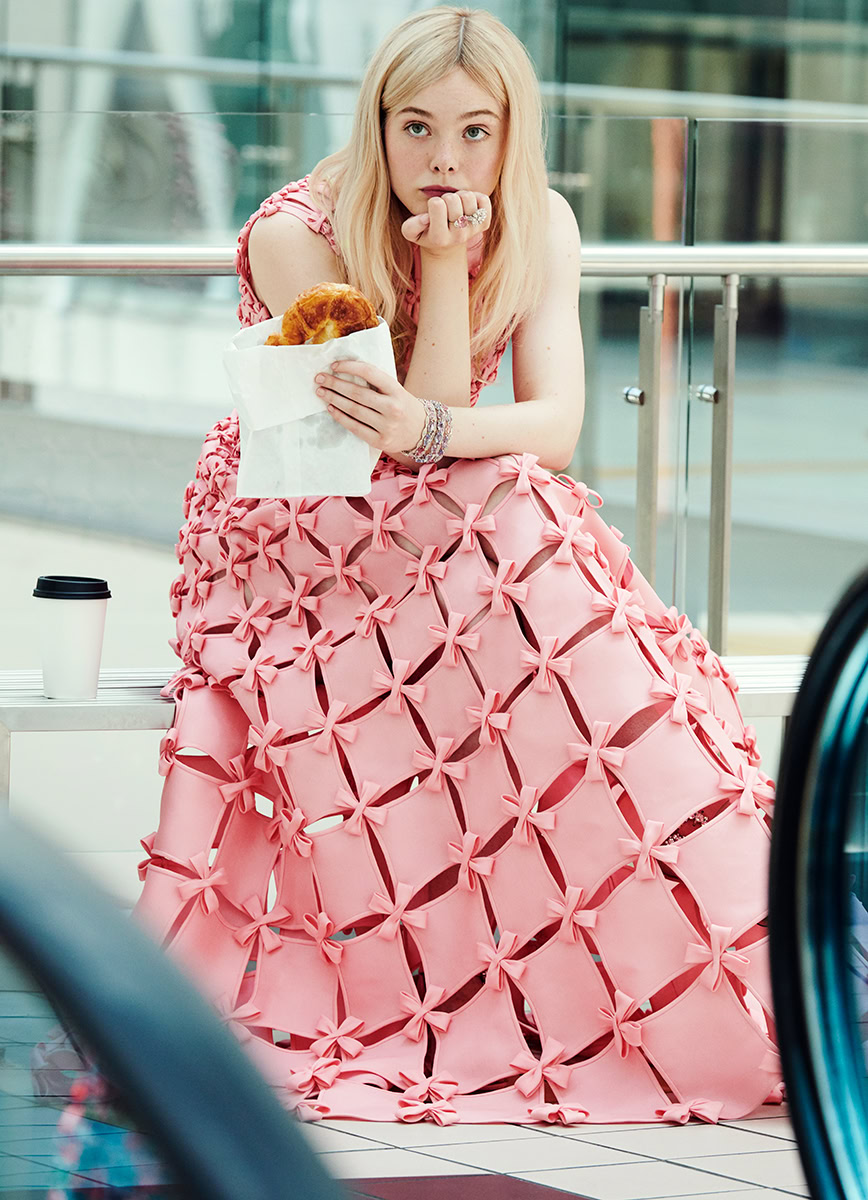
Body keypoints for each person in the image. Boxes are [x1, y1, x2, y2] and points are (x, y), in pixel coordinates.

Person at [134, 6, 781, 1126]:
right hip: (296, 528)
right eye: (419, 128)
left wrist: (442, 409)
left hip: (454, 509)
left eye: (476, 133)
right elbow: (380, 444)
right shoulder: (301, 233)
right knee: (522, 517)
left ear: (511, 133)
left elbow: (553, 424)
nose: (446, 159)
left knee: (532, 522)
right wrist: (441, 268)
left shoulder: (543, 223)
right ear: (377, 122)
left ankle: (716, 947)